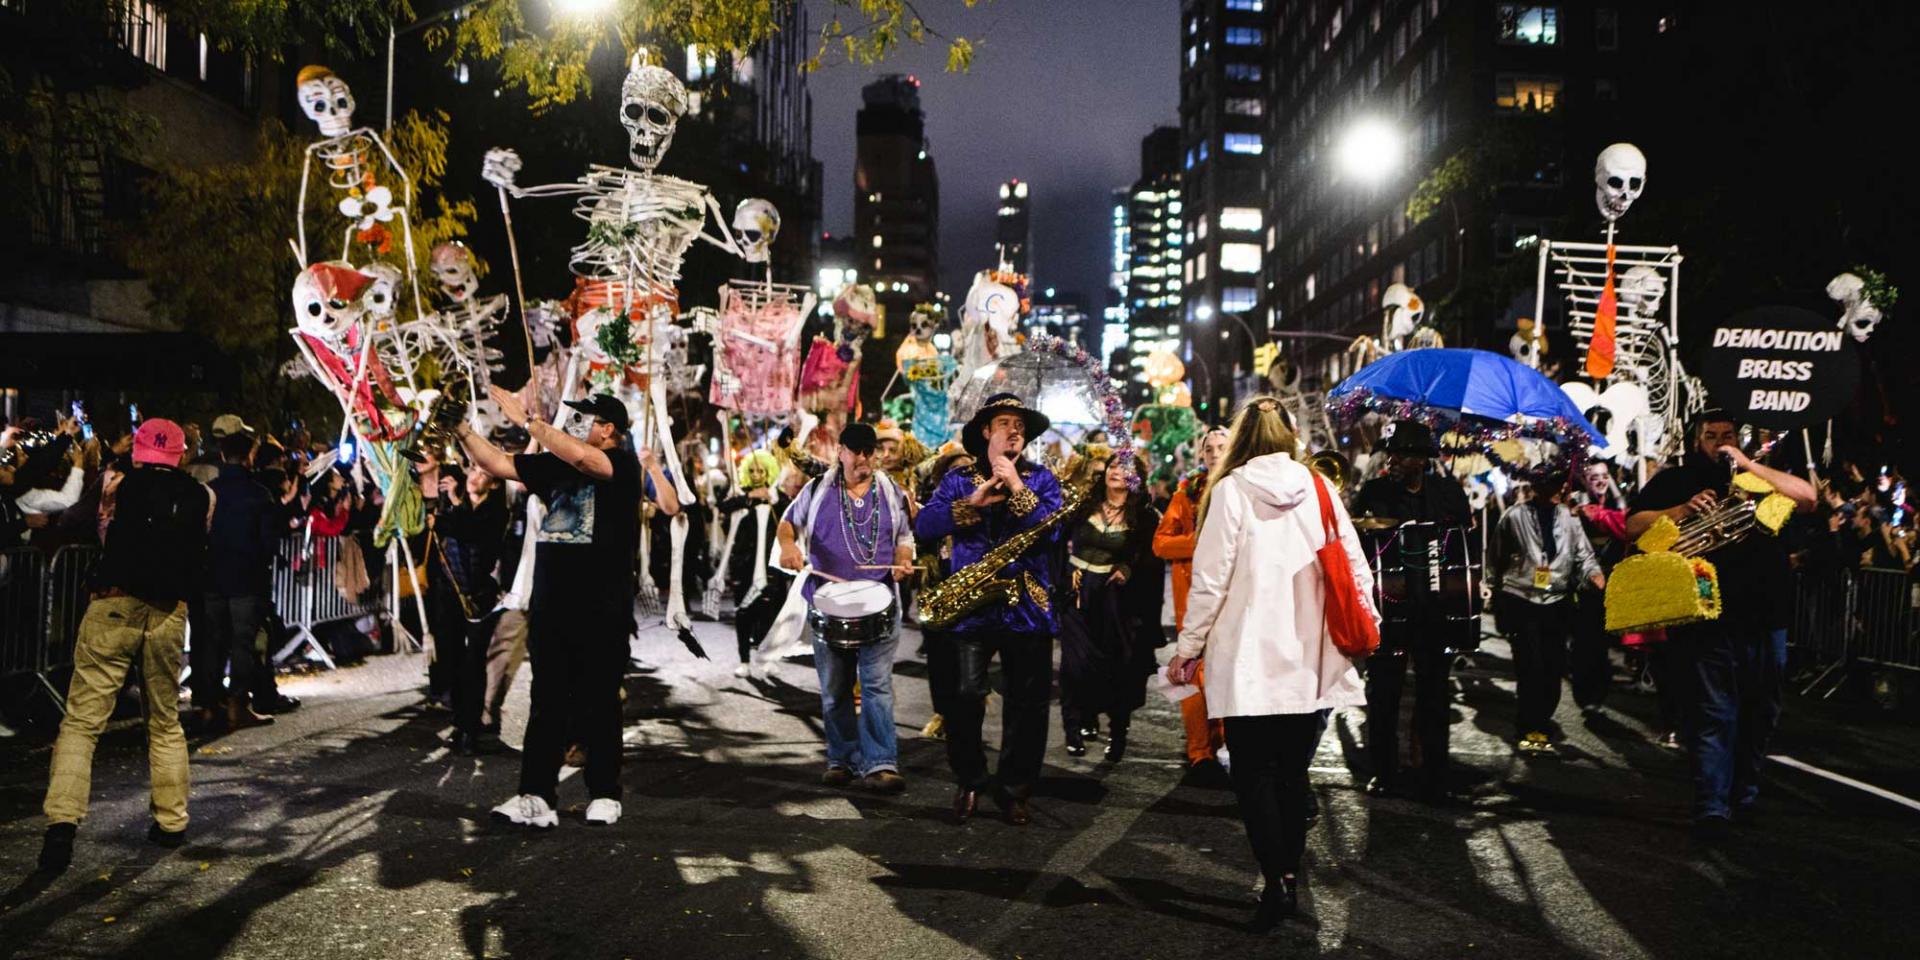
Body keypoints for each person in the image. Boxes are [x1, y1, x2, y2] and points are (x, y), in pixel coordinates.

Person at [1166, 397, 1375, 931]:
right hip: (1308, 656)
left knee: (1253, 775)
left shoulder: (1230, 490)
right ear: (1288, 435)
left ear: (1241, 437)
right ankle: (1288, 873)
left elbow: (1210, 580)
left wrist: (1188, 647)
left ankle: (1275, 877)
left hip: (1248, 659)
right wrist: (1368, 622)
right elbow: (1355, 564)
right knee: (1291, 773)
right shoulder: (1321, 487)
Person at [456, 388, 650, 830]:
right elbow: (498, 464)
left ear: (608, 429)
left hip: (601, 606)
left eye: (584, 418)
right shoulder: (557, 464)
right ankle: (536, 797)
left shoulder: (621, 465)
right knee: (546, 700)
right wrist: (461, 430)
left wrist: (530, 423)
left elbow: (586, 459)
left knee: (600, 700)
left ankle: (604, 793)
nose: (575, 424)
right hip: (551, 605)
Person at [1626, 410, 1815, 840]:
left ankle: (1743, 796)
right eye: (1711, 436)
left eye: (1727, 435)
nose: (1719, 443)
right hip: (1707, 616)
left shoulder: (1759, 475)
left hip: (1767, 616)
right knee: (1714, 712)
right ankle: (1712, 804)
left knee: (1761, 712)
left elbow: (1807, 498)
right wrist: (1681, 510)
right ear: (1698, 441)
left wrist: (1748, 466)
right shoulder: (1679, 479)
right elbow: (1632, 525)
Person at [38, 419, 211, 874]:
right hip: (167, 611)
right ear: (180, 454)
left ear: (138, 452)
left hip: (112, 604)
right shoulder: (201, 496)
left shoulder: (114, 484)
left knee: (82, 721)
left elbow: (75, 523)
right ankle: (171, 822)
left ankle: (62, 825)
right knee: (164, 720)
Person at [915, 394, 1065, 827]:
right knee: (963, 696)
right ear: (986, 432)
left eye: (1020, 425)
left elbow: (1052, 536)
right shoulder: (959, 480)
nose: (1014, 431)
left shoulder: (1041, 479)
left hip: (1027, 607)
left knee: (1028, 705)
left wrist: (1017, 486)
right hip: (971, 608)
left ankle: (1015, 789)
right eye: (1004, 423)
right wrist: (971, 504)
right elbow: (924, 526)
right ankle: (971, 778)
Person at [776, 423, 916, 793]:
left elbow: (905, 536)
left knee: (876, 686)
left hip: (880, 603)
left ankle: (880, 763)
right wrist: (788, 547)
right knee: (835, 689)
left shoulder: (891, 491)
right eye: (856, 450)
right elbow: (787, 524)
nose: (863, 457)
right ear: (841, 452)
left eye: (869, 450)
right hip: (828, 602)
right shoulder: (817, 489)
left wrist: (903, 559)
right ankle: (842, 759)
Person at [1351, 419, 1472, 802]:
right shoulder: (1375, 491)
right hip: (1390, 607)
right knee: (1384, 694)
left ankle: (1435, 776)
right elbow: (1357, 539)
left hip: (1435, 609)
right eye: (1392, 454)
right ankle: (1384, 773)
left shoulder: (1446, 492)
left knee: (1434, 695)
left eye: (1402, 454)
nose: (1394, 460)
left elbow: (1465, 537)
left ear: (1422, 459)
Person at [1491, 464, 1604, 755]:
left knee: (1553, 667)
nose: (1555, 490)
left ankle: (1542, 720)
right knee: (1530, 665)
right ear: (1536, 487)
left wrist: (1594, 574)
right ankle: (1530, 727)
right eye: (1548, 485)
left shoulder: (1569, 517)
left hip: (1557, 600)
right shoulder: (1513, 515)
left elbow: (1583, 554)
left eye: (1557, 485)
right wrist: (1496, 593)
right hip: (1521, 598)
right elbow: (1497, 557)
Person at [1058, 457, 1163, 760]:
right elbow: (1057, 541)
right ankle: (1073, 726)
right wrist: (1064, 574)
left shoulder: (1144, 516)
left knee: (1118, 668)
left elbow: (1150, 557)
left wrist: (1128, 568)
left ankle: (1118, 732)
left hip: (1116, 601)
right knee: (1074, 664)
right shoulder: (1083, 506)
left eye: (1125, 467)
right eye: (1113, 466)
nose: (1117, 471)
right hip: (1077, 596)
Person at [191, 430, 285, 732]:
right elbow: (269, 543)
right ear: (250, 456)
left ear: (222, 456)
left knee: (212, 642)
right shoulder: (259, 494)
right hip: (247, 578)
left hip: (213, 577)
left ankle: (208, 704)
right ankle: (237, 704)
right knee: (243, 644)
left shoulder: (209, 492)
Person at [1155, 426, 1231, 770]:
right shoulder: (1185, 495)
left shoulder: (1243, 489)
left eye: (1221, 447)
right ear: (1201, 454)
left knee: (1226, 674)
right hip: (1193, 598)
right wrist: (1199, 541)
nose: (1214, 454)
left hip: (1232, 600)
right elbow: (1161, 544)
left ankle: (1224, 743)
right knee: (1192, 675)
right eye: (1209, 448)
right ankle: (1199, 752)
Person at [429, 463, 510, 754]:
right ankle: (459, 720)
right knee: (451, 658)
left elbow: (471, 531)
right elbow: (442, 529)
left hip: (479, 596)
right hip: (449, 595)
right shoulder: (453, 508)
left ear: (494, 484)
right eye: (473, 470)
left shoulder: (496, 513)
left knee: (474, 662)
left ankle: (469, 729)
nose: (475, 477)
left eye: (483, 474)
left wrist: (452, 505)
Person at [722, 455, 799, 677]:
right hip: (744, 565)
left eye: (761, 471)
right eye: (752, 471)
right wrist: (749, 497)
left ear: (769, 472)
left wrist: (776, 500)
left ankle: (769, 658)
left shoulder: (777, 497)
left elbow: (792, 516)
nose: (756, 475)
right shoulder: (741, 494)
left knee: (771, 613)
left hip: (770, 566)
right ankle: (744, 660)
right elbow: (723, 506)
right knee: (743, 612)